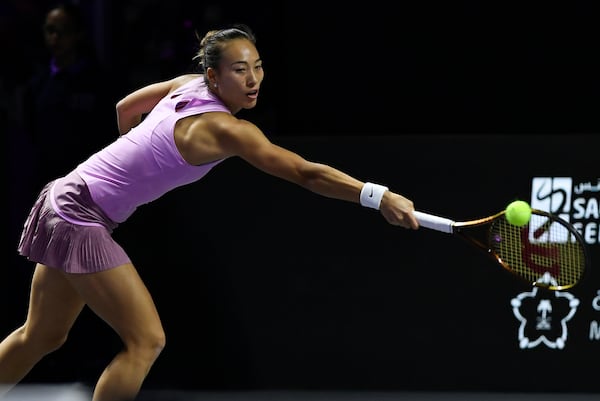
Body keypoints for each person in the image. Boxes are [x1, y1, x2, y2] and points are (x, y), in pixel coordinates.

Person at [0, 24, 419, 401]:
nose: (253, 79)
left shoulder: (186, 85)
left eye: (257, 66)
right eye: (239, 70)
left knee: (42, 335)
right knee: (146, 341)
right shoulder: (228, 130)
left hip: (64, 194)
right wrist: (379, 196)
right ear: (214, 76)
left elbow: (125, 108)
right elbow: (306, 174)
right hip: (80, 216)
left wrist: (133, 159)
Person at [19, 2, 118, 193]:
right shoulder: (37, 85)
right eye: (50, 30)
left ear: (77, 34)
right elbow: (31, 135)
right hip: (47, 183)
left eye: (63, 31)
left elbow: (107, 133)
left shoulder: (98, 82)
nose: (55, 37)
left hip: (88, 183)